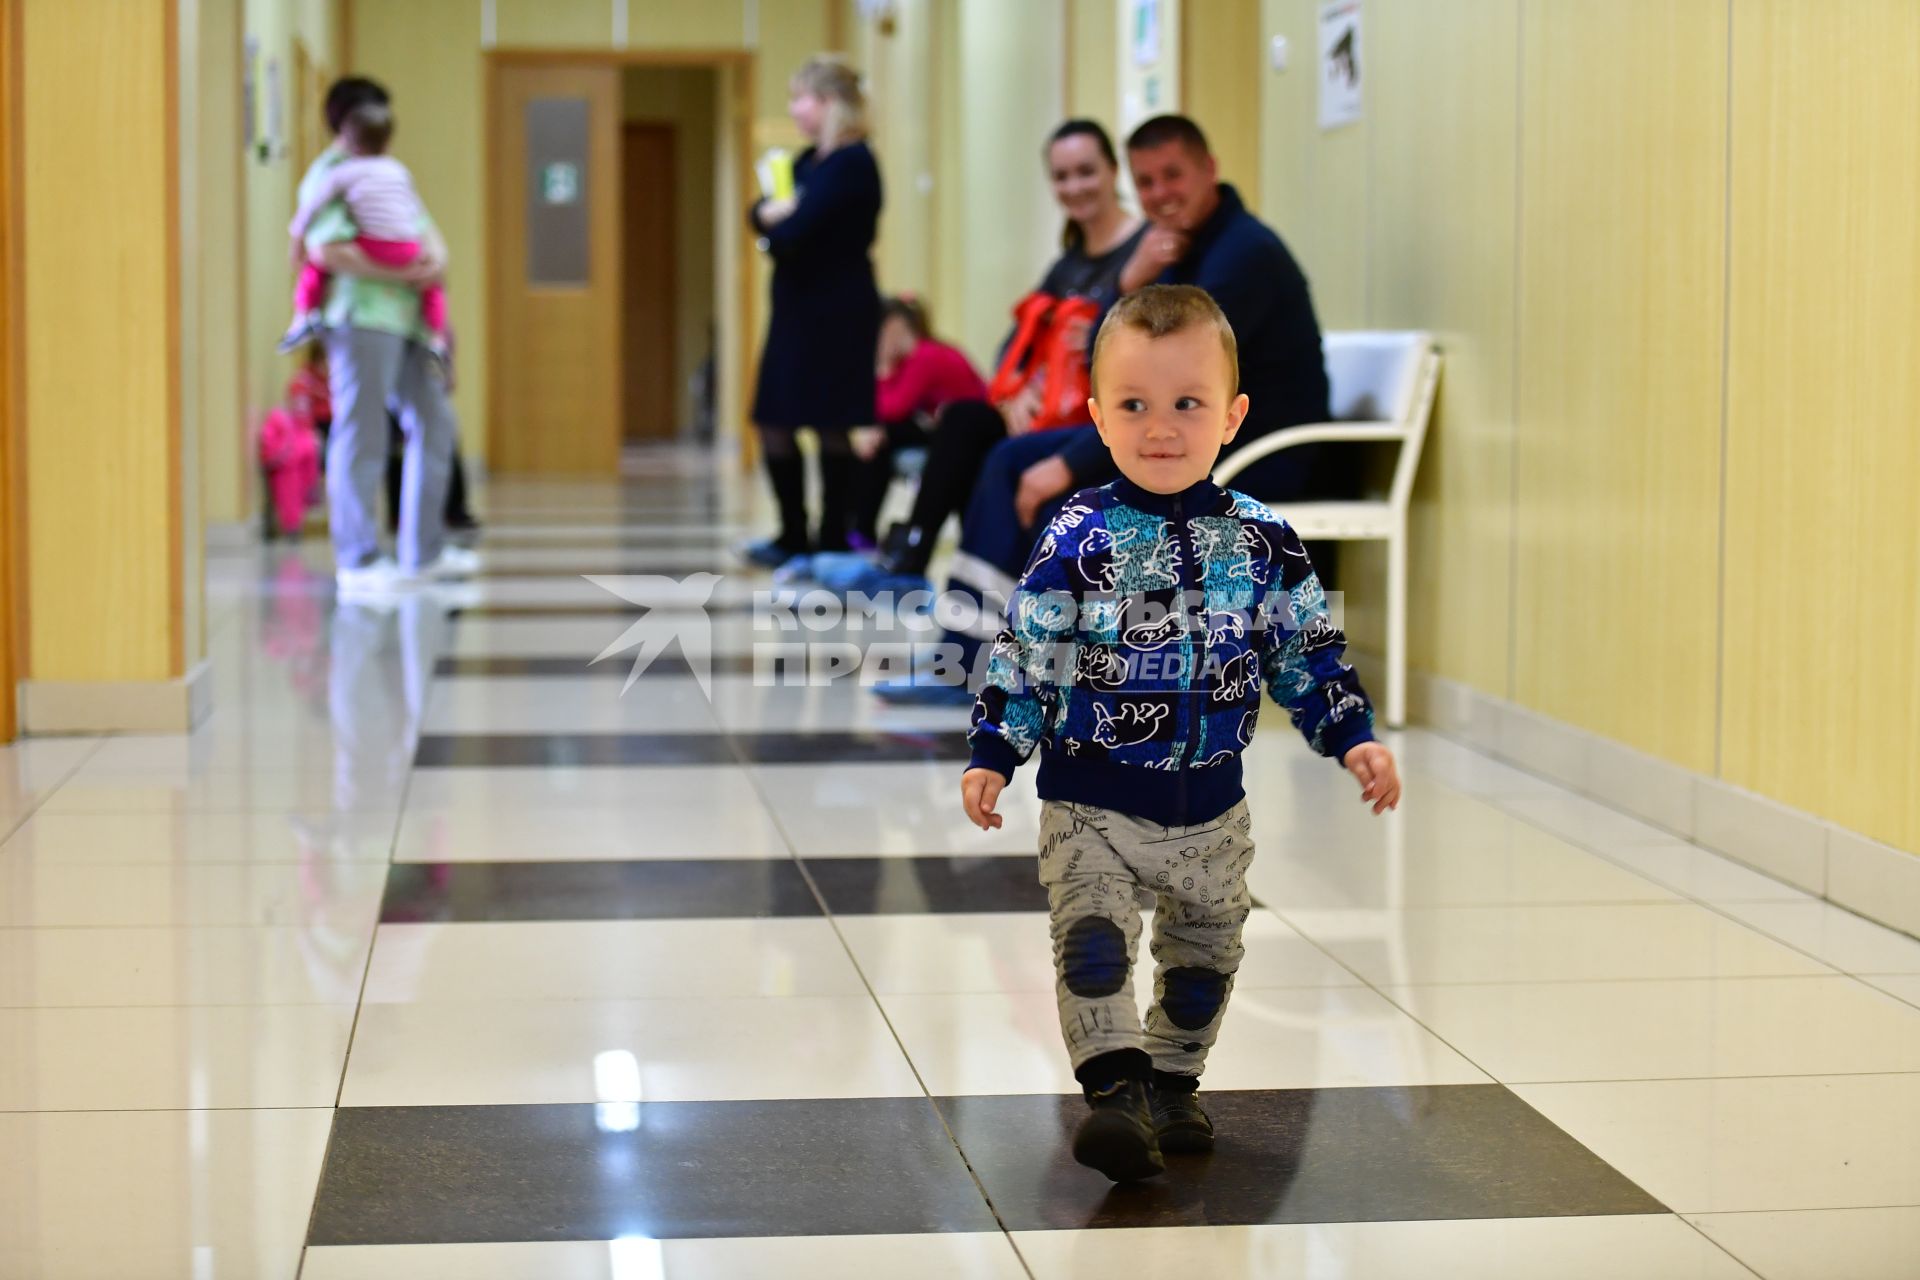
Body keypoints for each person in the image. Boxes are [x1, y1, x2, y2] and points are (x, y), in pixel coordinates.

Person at [959, 285, 1400, 1183]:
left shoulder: (1265, 542)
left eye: (1187, 404)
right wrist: (997, 751)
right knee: (1092, 943)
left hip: (1213, 808)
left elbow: (1306, 651)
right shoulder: (1076, 536)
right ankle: (1114, 1094)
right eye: (1134, 406)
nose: (1161, 428)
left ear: (1232, 417)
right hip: (1091, 798)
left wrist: (1351, 732)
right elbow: (1027, 648)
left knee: (1205, 956)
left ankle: (1170, 1083)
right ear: (1096, 417)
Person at [879, 113, 1330, 704]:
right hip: (1187, 431)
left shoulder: (1241, 256)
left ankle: (1008, 665)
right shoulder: (1182, 250)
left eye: (1173, 176)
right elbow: (1113, 361)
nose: (1160, 194)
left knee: (1053, 483)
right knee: (1010, 459)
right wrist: (1130, 283)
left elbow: (1151, 384)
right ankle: (973, 657)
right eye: (1147, 183)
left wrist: (1064, 466)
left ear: (1209, 170)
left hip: (1250, 449)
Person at [841, 120, 1145, 595]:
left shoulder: (1142, 253)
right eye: (1062, 177)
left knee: (997, 456)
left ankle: (982, 600)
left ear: (1112, 171)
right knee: (963, 419)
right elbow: (1016, 345)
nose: (1074, 187)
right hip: (1046, 411)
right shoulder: (1068, 262)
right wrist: (1016, 396)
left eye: (1086, 172)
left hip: (1099, 417)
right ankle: (913, 560)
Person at [297, 77, 476, 594]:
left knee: (435, 424)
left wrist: (437, 260)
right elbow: (325, 250)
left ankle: (424, 551)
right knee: (363, 431)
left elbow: (423, 229)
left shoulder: (388, 173)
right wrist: (404, 275)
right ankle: (358, 558)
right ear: (348, 123)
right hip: (361, 319)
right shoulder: (328, 177)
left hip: (410, 321)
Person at [745, 55, 883, 567]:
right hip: (797, 311)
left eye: (799, 97)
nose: (793, 108)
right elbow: (759, 212)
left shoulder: (853, 164)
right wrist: (767, 216)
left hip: (837, 312)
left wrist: (774, 225)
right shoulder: (809, 163)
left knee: (831, 420)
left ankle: (829, 536)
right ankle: (792, 534)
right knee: (774, 418)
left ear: (827, 103)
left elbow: (794, 234)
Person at [281, 103, 450, 365]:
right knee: (432, 286)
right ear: (388, 142)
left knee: (314, 265)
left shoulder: (341, 172)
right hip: (407, 247)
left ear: (348, 143)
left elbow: (313, 211)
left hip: (374, 247)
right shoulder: (399, 171)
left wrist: (296, 237)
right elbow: (417, 217)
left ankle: (303, 315)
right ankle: (437, 338)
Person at [847, 294, 988, 549]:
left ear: (893, 326)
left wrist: (883, 367)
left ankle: (863, 530)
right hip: (945, 429)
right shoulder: (917, 356)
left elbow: (892, 408)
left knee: (882, 437)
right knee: (881, 437)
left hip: (967, 433)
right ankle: (861, 529)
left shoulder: (926, 355)